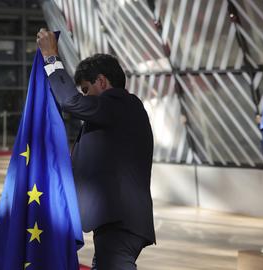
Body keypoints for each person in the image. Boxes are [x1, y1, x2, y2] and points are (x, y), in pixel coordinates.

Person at [36, 29, 155, 270]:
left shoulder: (121, 103)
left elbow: (71, 102)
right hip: (116, 222)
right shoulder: (114, 113)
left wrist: (51, 58)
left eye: (86, 89)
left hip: (121, 222)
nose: (84, 97)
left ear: (102, 81)